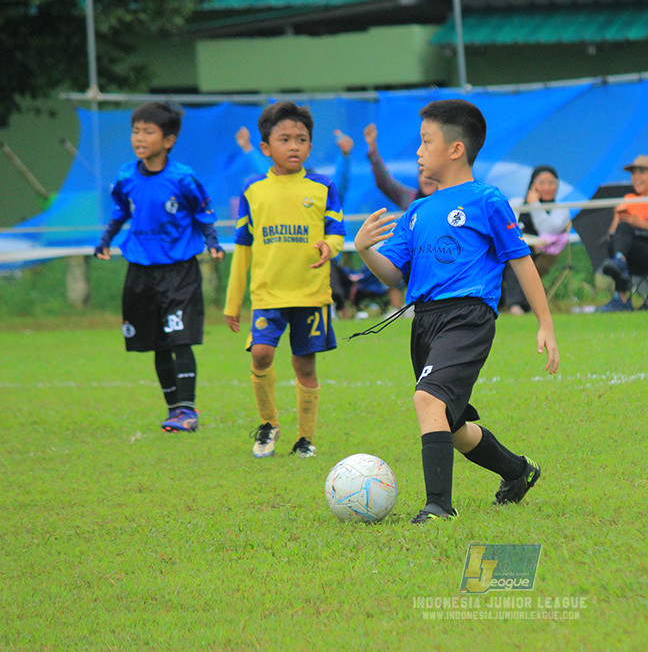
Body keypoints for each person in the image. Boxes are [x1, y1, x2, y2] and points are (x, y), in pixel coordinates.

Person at [354, 99, 559, 524]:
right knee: (451, 425)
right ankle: (518, 471)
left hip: (467, 317)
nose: (418, 151)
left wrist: (545, 323)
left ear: (455, 149)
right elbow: (391, 273)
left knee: (427, 399)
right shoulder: (417, 210)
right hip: (424, 322)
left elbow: (521, 261)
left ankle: (438, 507)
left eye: (425, 141)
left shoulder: (486, 200)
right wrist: (364, 249)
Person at [223, 101, 346, 459]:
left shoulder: (323, 186)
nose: (294, 146)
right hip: (268, 295)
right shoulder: (253, 190)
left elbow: (338, 232)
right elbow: (243, 248)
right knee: (261, 354)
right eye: (285, 139)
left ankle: (305, 438)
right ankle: (269, 423)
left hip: (310, 294)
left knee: (304, 365)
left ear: (310, 145)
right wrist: (233, 303)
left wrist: (329, 246)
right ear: (265, 148)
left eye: (301, 139)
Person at [95, 102, 223, 433]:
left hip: (178, 270)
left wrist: (213, 242)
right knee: (157, 342)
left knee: (180, 338)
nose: (139, 138)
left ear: (168, 140)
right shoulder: (126, 176)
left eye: (148, 132)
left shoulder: (182, 178)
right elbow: (120, 212)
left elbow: (204, 212)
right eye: (135, 131)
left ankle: (187, 411)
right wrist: (105, 240)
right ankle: (173, 410)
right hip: (141, 270)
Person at [598, 154, 648, 312]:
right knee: (620, 234)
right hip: (630, 250)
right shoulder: (629, 199)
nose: (636, 177)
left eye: (642, 172)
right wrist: (618, 219)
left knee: (624, 237)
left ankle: (620, 287)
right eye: (633, 173)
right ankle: (621, 286)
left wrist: (640, 224)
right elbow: (612, 235)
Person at [503, 165, 571, 314]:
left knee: (518, 257)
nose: (547, 187)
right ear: (532, 185)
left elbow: (548, 230)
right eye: (541, 183)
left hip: (542, 253)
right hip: (514, 248)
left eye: (551, 182)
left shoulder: (561, 209)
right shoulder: (517, 204)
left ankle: (516, 305)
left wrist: (534, 204)